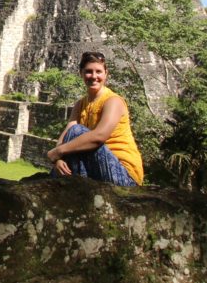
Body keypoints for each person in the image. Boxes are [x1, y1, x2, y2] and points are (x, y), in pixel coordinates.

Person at [46, 51, 143, 186]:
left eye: (98, 72)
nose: (94, 76)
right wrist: (58, 159)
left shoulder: (113, 101)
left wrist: (59, 151)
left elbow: (99, 137)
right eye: (89, 72)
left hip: (124, 174)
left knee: (77, 131)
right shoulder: (80, 104)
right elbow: (65, 135)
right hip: (97, 168)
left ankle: (54, 185)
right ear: (81, 73)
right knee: (75, 135)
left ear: (106, 74)